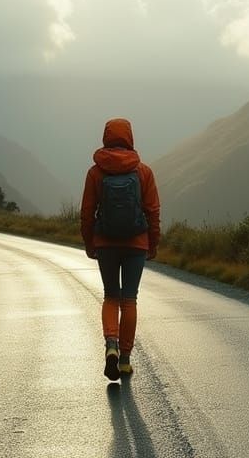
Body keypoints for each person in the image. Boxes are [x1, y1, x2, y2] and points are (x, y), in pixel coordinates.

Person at [81, 118, 160, 381]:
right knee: (129, 300)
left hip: (105, 243)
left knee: (110, 296)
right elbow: (153, 211)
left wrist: (90, 242)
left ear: (106, 137)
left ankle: (111, 345)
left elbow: (86, 213)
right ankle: (125, 359)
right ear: (130, 138)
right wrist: (153, 243)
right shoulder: (143, 172)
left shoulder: (95, 173)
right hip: (137, 243)